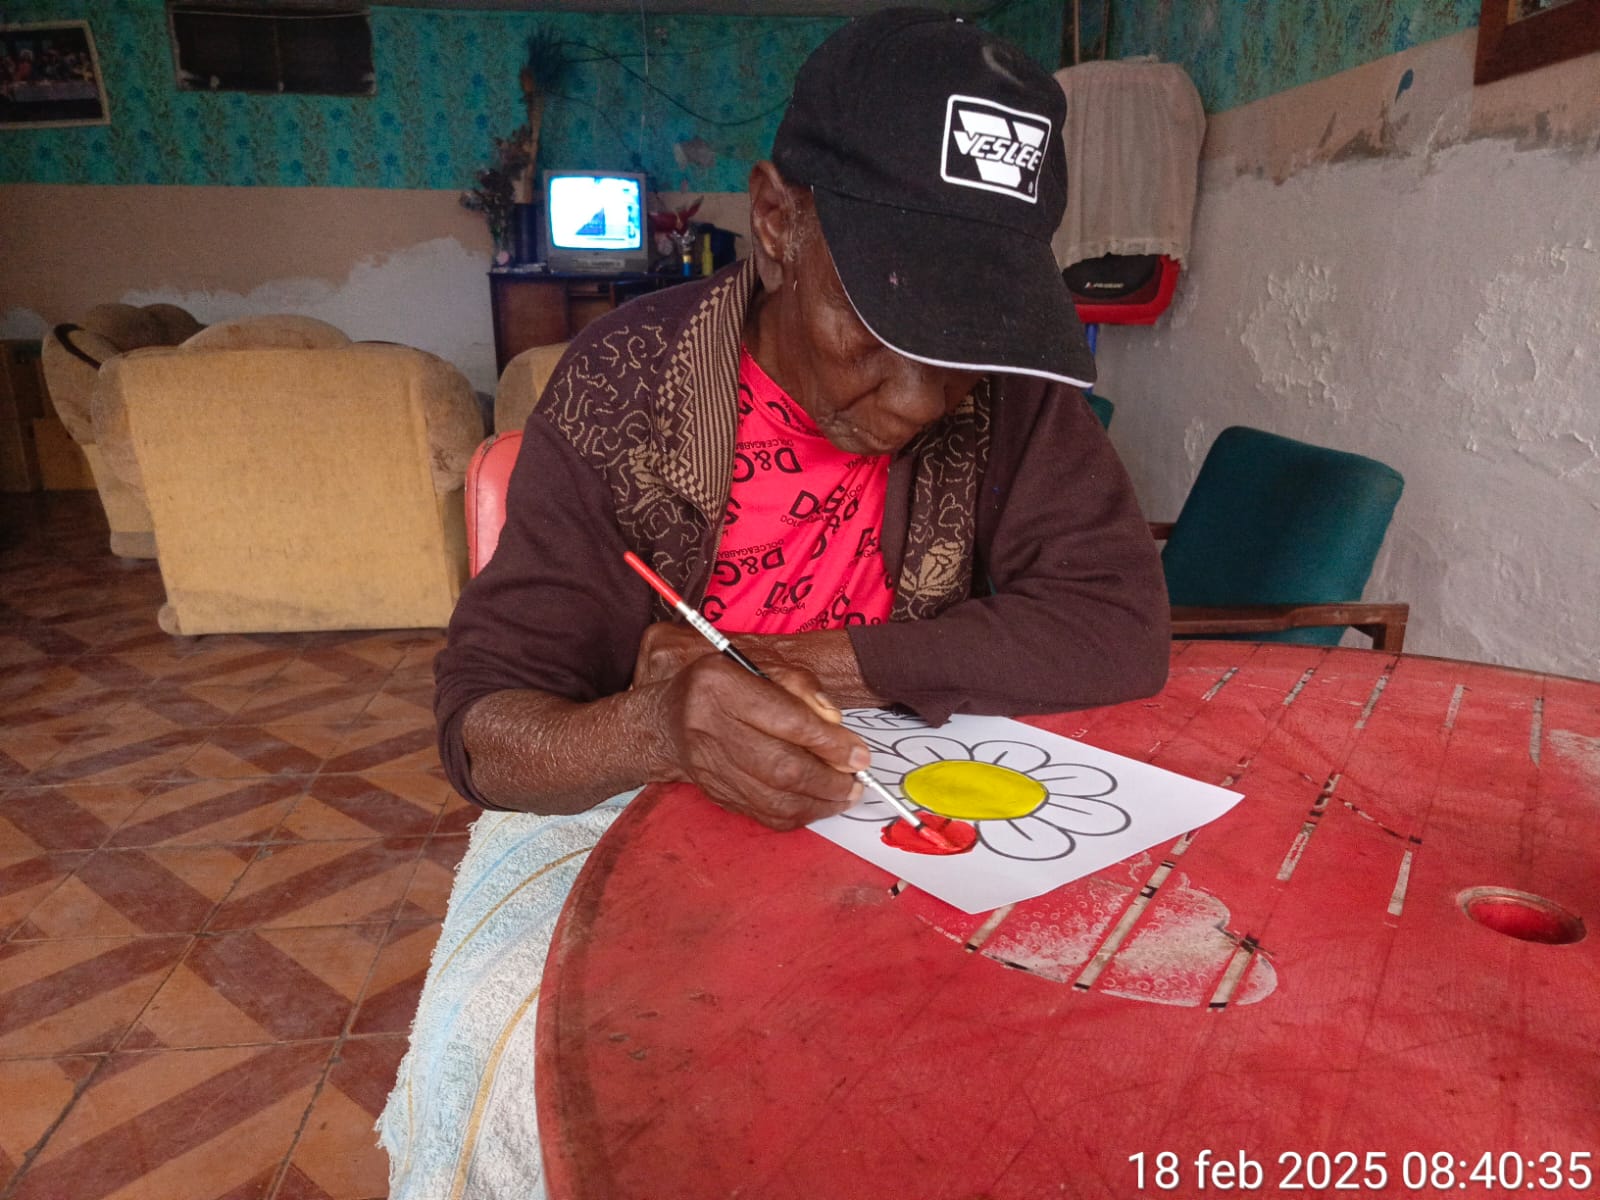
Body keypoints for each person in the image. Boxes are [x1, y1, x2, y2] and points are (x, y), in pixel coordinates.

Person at [379, 10, 1169, 1197]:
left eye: (964, 341)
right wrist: (655, 728)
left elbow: (1116, 627)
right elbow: (484, 728)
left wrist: (797, 660)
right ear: (778, 222)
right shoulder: (620, 389)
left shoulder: (1014, 398)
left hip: (907, 801)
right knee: (525, 1058)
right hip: (631, 787)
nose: (921, 399)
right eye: (883, 325)